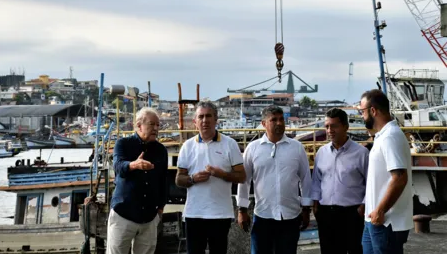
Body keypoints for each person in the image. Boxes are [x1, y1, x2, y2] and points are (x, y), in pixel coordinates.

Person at [236, 105, 312, 254]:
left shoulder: (296, 148)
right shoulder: (253, 148)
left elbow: (306, 179)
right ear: (264, 124)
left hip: (290, 215)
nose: (279, 123)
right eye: (274, 120)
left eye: (281, 119)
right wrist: (242, 210)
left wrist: (306, 208)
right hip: (263, 215)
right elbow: (244, 181)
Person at [175, 101, 246, 254]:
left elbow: (241, 176)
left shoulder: (230, 144)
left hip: (220, 214)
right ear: (195, 121)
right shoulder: (187, 146)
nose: (205, 120)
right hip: (194, 213)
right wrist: (193, 178)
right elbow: (179, 179)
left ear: (216, 119)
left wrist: (222, 174)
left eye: (208, 116)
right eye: (201, 117)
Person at [107, 107, 168, 254]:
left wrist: (160, 209)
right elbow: (118, 167)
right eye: (152, 124)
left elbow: (164, 181)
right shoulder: (123, 144)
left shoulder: (161, 150)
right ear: (139, 125)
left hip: (149, 218)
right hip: (123, 214)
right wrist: (134, 164)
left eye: (158, 125)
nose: (156, 128)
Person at [359, 89, 413, 254]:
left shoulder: (390, 137)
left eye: (362, 111)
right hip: (375, 220)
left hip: (387, 222)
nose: (362, 116)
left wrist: (380, 210)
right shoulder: (382, 136)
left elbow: (399, 178)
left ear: (373, 111)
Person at [311, 108, 369, 254]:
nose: (330, 130)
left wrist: (363, 207)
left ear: (345, 127)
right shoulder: (321, 152)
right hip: (326, 213)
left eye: (334, 126)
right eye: (327, 126)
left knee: (354, 250)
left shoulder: (361, 153)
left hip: (352, 213)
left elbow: (370, 183)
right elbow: (317, 181)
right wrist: (315, 205)